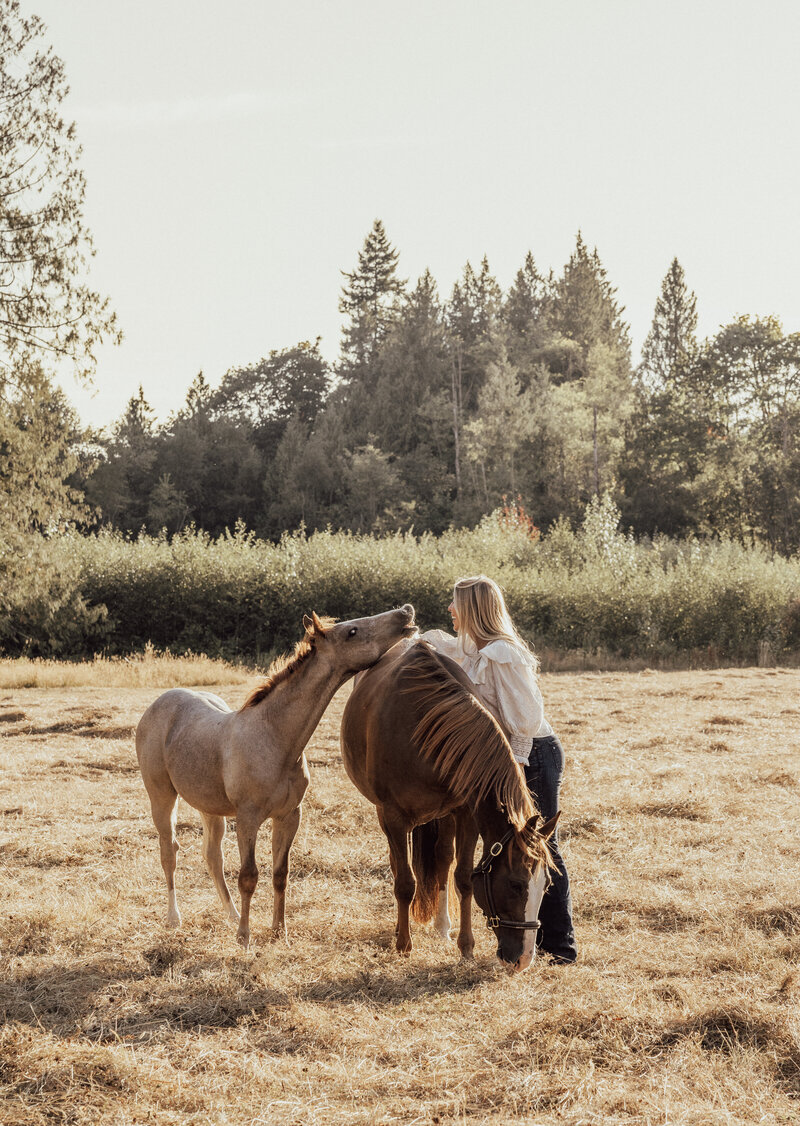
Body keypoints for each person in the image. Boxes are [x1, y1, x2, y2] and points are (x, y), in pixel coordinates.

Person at [420, 574, 577, 964]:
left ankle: (560, 947)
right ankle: (527, 940)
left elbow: (526, 719)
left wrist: (518, 766)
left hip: (534, 753)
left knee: (540, 846)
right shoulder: (475, 650)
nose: (450, 610)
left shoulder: (503, 654)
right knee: (517, 849)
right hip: (515, 755)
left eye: (456, 603)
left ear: (474, 609)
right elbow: (433, 644)